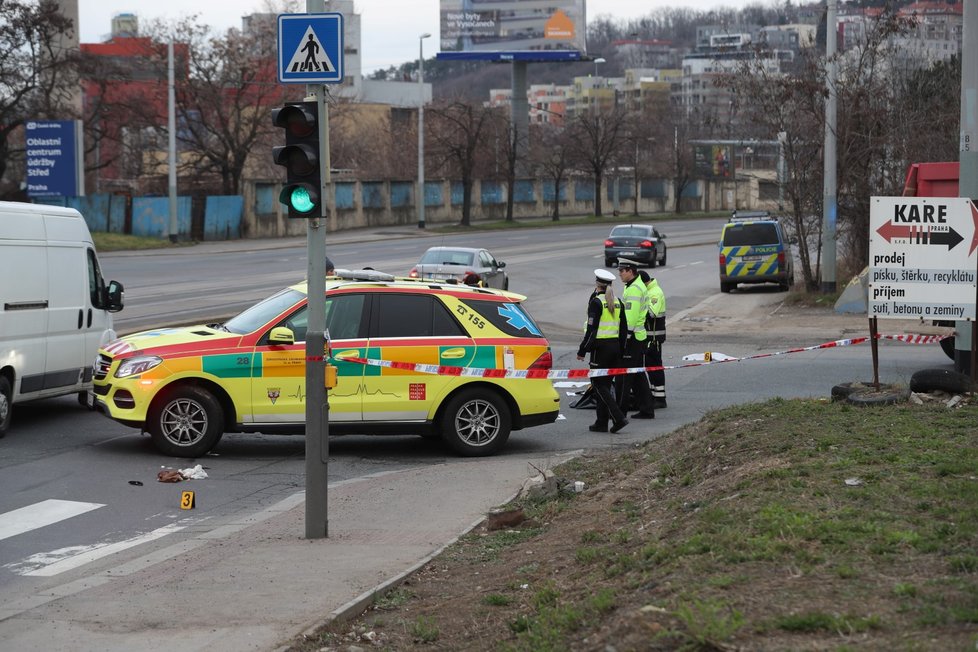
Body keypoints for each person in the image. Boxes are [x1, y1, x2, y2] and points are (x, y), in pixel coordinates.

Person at [576, 269, 629, 433]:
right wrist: (621, 350)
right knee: (605, 385)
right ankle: (601, 422)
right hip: (614, 348)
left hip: (601, 350)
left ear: (597, 285)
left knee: (598, 385)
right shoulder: (618, 301)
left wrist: (582, 350)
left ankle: (618, 418)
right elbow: (623, 329)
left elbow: (591, 331)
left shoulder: (596, 303)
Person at [616, 258, 655, 419]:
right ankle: (647, 409)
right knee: (638, 375)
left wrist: (624, 338)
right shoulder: (635, 285)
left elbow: (630, 318)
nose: (619, 274)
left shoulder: (634, 289)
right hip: (639, 337)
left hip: (632, 339)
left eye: (622, 271)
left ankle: (620, 413)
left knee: (625, 376)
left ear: (630, 271)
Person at [639, 269, 667, 409]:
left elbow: (651, 313)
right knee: (650, 367)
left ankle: (660, 398)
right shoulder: (649, 291)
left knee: (655, 368)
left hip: (654, 338)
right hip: (649, 337)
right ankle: (654, 395)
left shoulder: (654, 292)